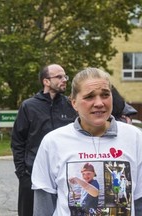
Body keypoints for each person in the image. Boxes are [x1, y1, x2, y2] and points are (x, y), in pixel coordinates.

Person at [31, 67, 142, 215]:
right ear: (74, 103)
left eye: (105, 95)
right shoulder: (53, 142)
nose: (99, 103)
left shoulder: (134, 137)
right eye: (89, 97)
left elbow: (139, 200)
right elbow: (43, 205)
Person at [11, 64, 77, 216]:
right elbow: (18, 141)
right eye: (59, 77)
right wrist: (23, 173)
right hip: (32, 175)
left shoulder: (70, 105)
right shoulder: (29, 106)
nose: (64, 80)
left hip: (64, 174)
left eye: (65, 76)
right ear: (46, 81)